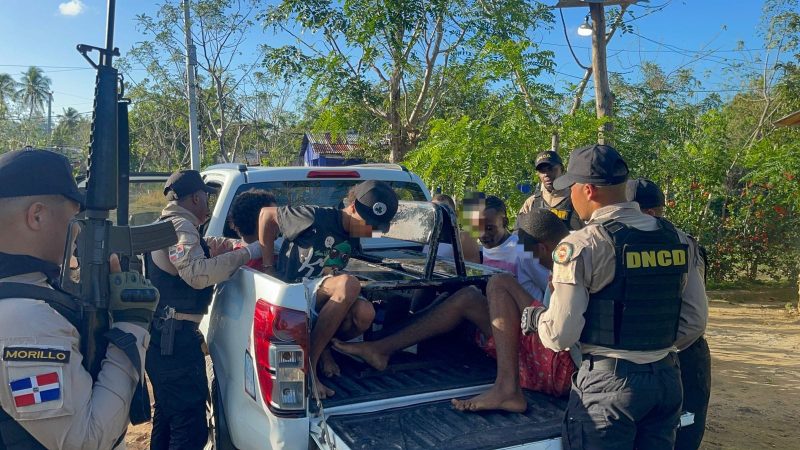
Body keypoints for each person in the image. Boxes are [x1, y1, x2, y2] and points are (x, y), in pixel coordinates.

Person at [522, 144, 708, 450]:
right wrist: (649, 349)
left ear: (588, 190)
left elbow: (560, 335)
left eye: (572, 188)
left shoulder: (582, 245)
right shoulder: (677, 239)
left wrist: (537, 319)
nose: (569, 196)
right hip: (666, 380)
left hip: (608, 388)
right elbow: (695, 322)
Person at [335, 208, 574, 411]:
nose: (531, 257)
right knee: (467, 296)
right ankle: (380, 348)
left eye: (532, 253)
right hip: (544, 344)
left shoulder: (569, 260)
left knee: (500, 282)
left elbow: (560, 330)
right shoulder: (570, 253)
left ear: (542, 248)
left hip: (557, 362)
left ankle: (507, 389)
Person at [0, 148, 158, 449]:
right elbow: (86, 440)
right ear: (37, 216)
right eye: (74, 219)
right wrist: (131, 324)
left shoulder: (25, 296)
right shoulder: (25, 320)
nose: (76, 233)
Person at [146, 169, 262, 450]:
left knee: (169, 416)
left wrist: (229, 247)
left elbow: (198, 250)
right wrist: (248, 253)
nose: (208, 203)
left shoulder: (169, 223)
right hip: (175, 343)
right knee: (189, 428)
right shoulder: (179, 226)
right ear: (196, 198)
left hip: (164, 339)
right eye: (206, 197)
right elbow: (197, 274)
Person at [257, 180, 399, 398]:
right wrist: (268, 267)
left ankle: (325, 349)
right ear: (353, 207)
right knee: (348, 284)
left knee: (365, 313)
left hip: (322, 296)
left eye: (375, 226)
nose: (369, 230)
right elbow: (266, 215)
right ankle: (308, 369)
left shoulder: (354, 234)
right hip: (295, 293)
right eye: (367, 222)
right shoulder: (315, 216)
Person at [630, 178, 711, 450]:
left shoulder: (679, 243)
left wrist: (654, 349)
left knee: (682, 436)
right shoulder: (623, 242)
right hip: (653, 361)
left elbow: (694, 320)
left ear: (651, 213)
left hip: (681, 356)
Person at [472, 195, 546, 298]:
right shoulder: (482, 250)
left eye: (489, 228)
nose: (483, 234)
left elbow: (547, 284)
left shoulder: (522, 249)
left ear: (504, 222)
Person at [519, 150, 583, 231]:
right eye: (542, 171)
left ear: (562, 169)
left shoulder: (577, 199)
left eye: (551, 169)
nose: (546, 174)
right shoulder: (531, 203)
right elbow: (518, 233)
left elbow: (591, 231)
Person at [228, 189, 278, 269]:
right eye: (272, 219)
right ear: (258, 222)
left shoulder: (231, 255)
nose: (278, 223)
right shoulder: (276, 261)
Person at [423, 194, 480, 263]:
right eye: (435, 211)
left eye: (444, 212)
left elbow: (472, 267)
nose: (439, 215)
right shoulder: (425, 235)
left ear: (454, 215)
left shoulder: (464, 238)